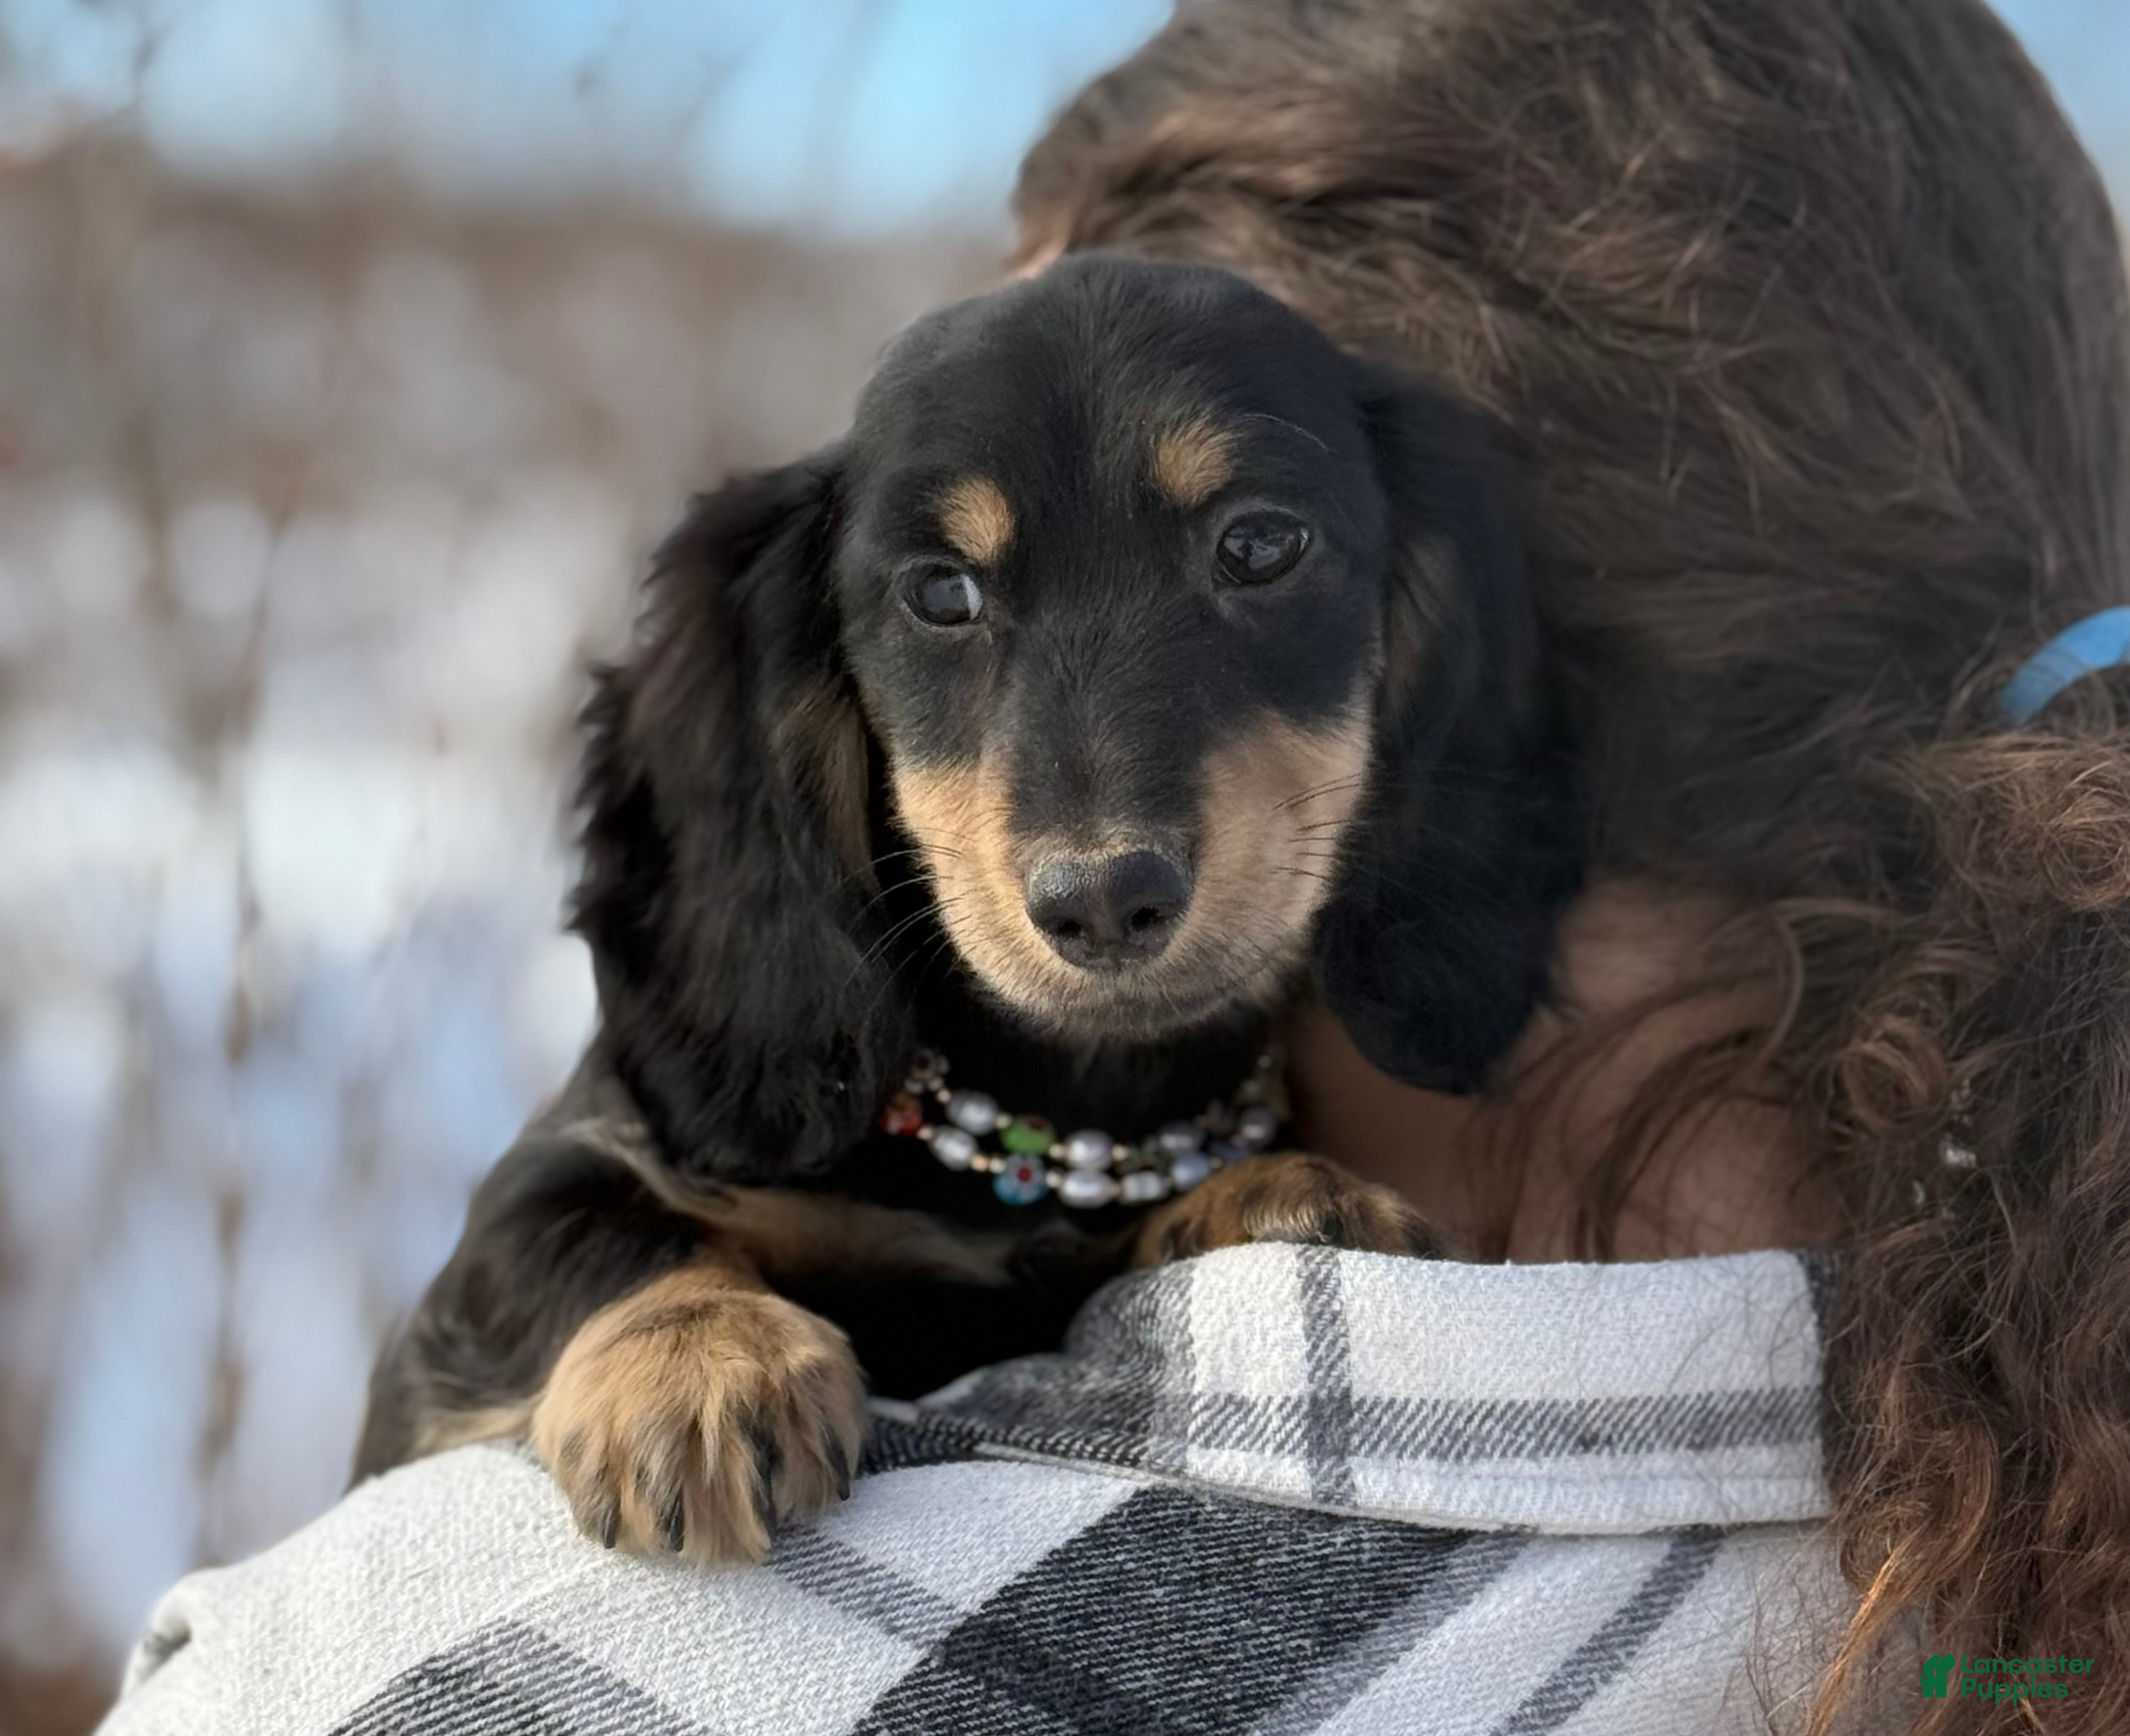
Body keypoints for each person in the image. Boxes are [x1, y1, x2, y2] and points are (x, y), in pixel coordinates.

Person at [98, 2, 2130, 1732]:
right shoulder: (2023, 1545)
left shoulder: (452, 1677)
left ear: (1450, 651)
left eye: (1248, 554)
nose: (1085, 827)